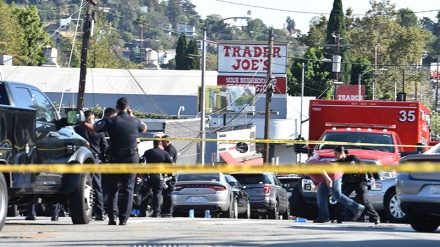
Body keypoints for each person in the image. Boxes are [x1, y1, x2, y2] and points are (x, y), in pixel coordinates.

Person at [82, 97, 147, 225]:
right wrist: (132, 115)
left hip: (116, 158)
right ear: (128, 108)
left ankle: (112, 218)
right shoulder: (134, 121)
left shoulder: (112, 120)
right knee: (128, 188)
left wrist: (80, 122)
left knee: (113, 188)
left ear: (117, 108)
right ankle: (124, 219)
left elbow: (92, 128)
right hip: (131, 157)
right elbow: (144, 128)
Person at [307, 156, 365, 223]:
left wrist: (328, 179)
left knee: (337, 195)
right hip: (326, 178)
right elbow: (315, 178)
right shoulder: (307, 171)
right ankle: (324, 217)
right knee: (320, 195)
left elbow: (321, 168)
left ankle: (357, 207)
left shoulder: (308, 166)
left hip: (333, 174)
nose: (299, 175)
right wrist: (316, 186)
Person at [74, 110, 108, 221]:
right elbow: (104, 147)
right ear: (90, 119)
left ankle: (81, 210)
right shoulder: (99, 131)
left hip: (81, 159)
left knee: (80, 186)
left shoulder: (76, 129)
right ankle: (99, 212)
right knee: (97, 187)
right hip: (95, 159)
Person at [334, 145, 380, 224]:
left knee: (364, 201)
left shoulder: (353, 158)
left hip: (359, 181)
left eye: (336, 154)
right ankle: (338, 218)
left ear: (341, 153)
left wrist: (371, 177)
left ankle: (376, 217)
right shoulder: (338, 163)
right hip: (348, 182)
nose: (335, 156)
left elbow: (365, 167)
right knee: (341, 198)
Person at [142, 136, 174, 217]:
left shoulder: (148, 152)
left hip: (149, 176)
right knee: (157, 194)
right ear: (160, 143)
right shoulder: (165, 153)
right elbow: (171, 165)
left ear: (153, 143)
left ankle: (142, 211)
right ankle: (156, 212)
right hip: (159, 177)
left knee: (146, 193)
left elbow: (141, 161)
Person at [161, 135, 177, 217]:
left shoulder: (170, 150)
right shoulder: (167, 149)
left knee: (168, 193)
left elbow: (169, 163)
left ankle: (168, 211)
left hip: (169, 174)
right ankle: (165, 210)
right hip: (168, 174)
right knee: (166, 193)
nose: (161, 143)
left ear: (167, 141)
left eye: (163, 142)